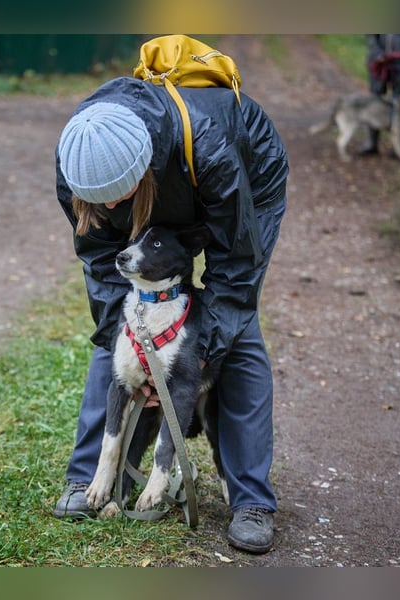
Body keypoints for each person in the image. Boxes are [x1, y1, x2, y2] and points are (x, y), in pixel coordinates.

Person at [50, 74, 289, 555]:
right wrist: (132, 346)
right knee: (118, 337)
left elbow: (234, 268)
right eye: (99, 200)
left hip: (246, 178)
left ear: (144, 170)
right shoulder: (79, 158)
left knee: (236, 330)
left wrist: (195, 359)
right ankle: (92, 479)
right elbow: (102, 266)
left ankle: (250, 499)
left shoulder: (210, 152)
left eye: (117, 195)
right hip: (165, 179)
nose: (109, 206)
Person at [360, 34, 400, 155]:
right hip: (379, 60)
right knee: (375, 100)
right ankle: (371, 142)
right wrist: (376, 51)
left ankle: (399, 145)